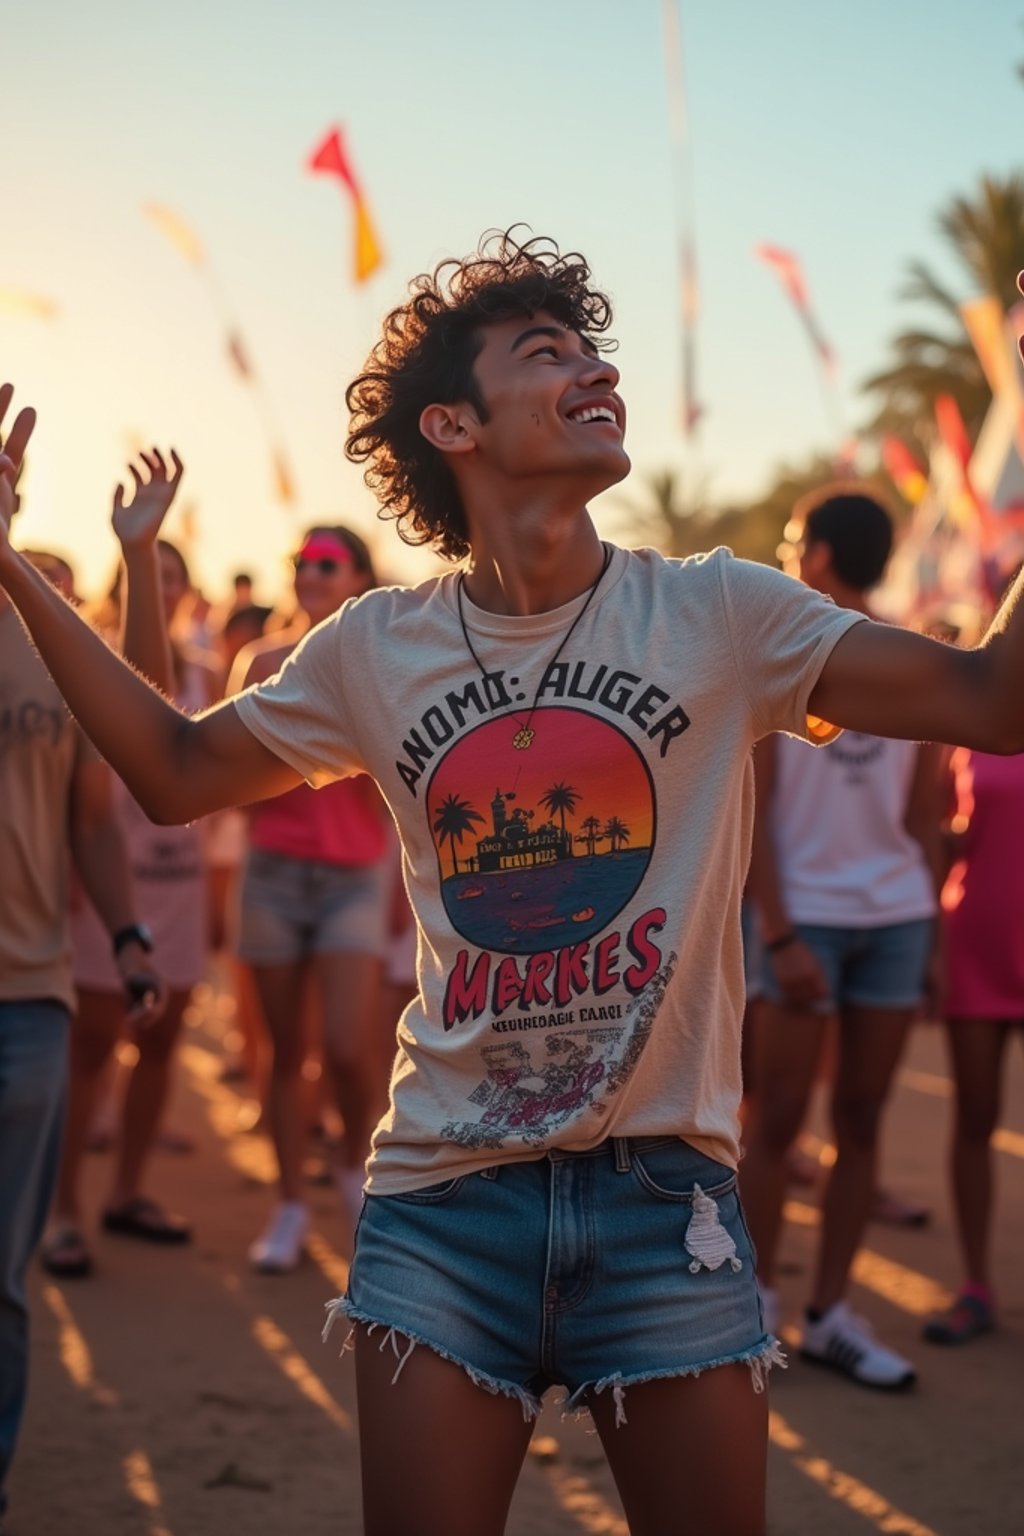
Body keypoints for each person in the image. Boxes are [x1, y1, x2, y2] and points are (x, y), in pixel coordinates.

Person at [4, 242, 1024, 1536]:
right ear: (454, 425)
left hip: (668, 1209)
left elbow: (998, 700)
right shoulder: (378, 647)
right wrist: (7, 560)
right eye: (546, 353)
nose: (596, 366)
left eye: (593, 349)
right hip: (441, 1209)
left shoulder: (721, 614)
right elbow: (169, 768)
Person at [738, 487, 943, 1392]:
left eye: (792, 541)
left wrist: (922, 916)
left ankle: (829, 1316)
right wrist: (779, 933)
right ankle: (750, 1313)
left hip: (891, 921)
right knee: (773, 1125)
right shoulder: (779, 652)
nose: (789, 555)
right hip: (804, 921)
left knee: (861, 1122)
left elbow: (927, 811)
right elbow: (755, 810)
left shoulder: (919, 658)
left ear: (820, 555)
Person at [0, 405, 163, 1530]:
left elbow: (124, 767)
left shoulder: (42, 635)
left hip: (27, 996)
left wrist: (130, 934)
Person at [43, 460, 215, 1276]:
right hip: (109, 885)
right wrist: (140, 550)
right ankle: (63, 1207)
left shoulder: (209, 675)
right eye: (155, 573)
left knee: (164, 1042)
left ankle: (128, 1190)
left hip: (180, 885)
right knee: (91, 1049)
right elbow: (146, 684)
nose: (169, 585)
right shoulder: (92, 657)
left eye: (177, 574)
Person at [230, 526, 390, 1271]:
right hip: (274, 872)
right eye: (300, 563)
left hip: (356, 875)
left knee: (352, 1050)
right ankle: (290, 1201)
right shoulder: (261, 662)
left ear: (358, 576)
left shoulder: (380, 662)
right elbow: (224, 776)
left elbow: (400, 787)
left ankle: (353, 1167)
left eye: (326, 564)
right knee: (283, 1049)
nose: (310, 575)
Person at [922, 735, 1024, 1343]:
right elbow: (936, 831)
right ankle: (977, 1285)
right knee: (976, 1115)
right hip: (977, 942)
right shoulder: (976, 722)